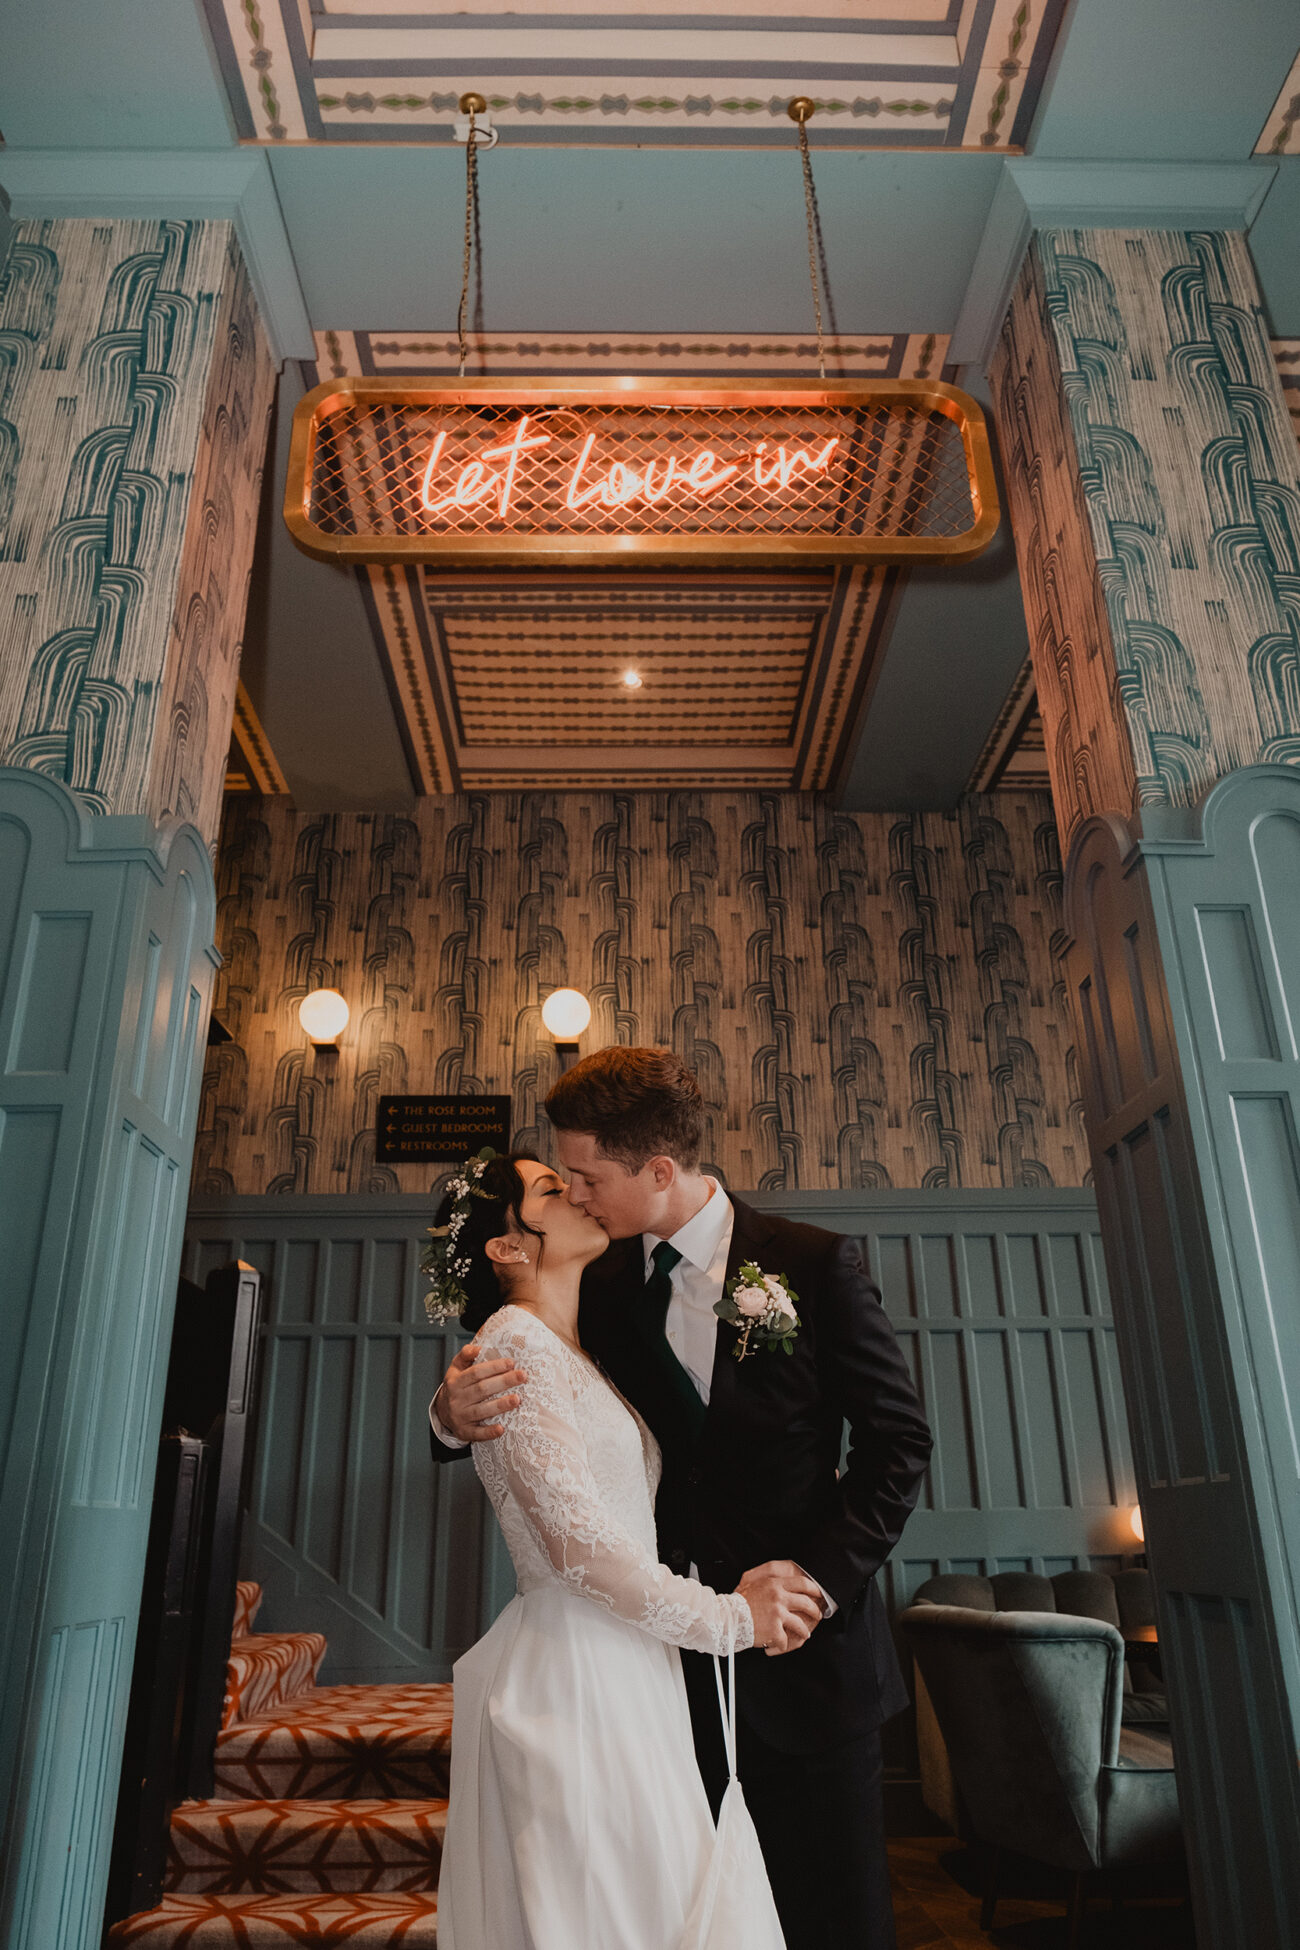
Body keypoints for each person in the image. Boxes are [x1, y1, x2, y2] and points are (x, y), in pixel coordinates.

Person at [431, 1049, 933, 1950]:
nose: (577, 1196)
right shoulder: (599, 1284)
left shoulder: (813, 1266)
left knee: (835, 1922)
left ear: (658, 1171)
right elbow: (535, 1399)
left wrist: (812, 1585)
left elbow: (899, 1446)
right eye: (565, 1181)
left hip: (809, 1670)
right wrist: (446, 1414)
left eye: (586, 1176)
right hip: (660, 1675)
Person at [429, 1148, 808, 1950]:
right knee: (601, 1912)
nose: (575, 1194)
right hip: (577, 1673)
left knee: (651, 1907)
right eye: (549, 1188)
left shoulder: (581, 1333)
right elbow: (581, 1551)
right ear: (505, 1246)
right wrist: (732, 1619)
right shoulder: (516, 1348)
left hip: (634, 1664)